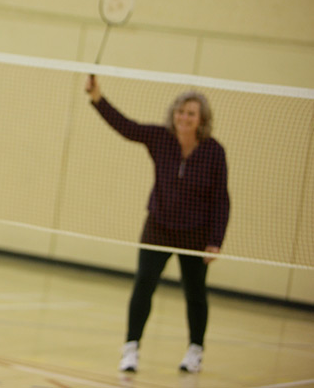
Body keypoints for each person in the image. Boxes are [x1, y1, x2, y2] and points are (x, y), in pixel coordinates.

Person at [85, 76, 229, 374]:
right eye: (180, 111)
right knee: (143, 286)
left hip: (195, 232)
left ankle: (195, 351)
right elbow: (127, 127)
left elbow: (221, 199)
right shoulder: (161, 138)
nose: (183, 117)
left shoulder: (214, 151)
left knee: (195, 293)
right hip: (159, 227)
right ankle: (131, 349)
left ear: (201, 119)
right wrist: (98, 98)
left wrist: (215, 239)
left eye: (190, 113)